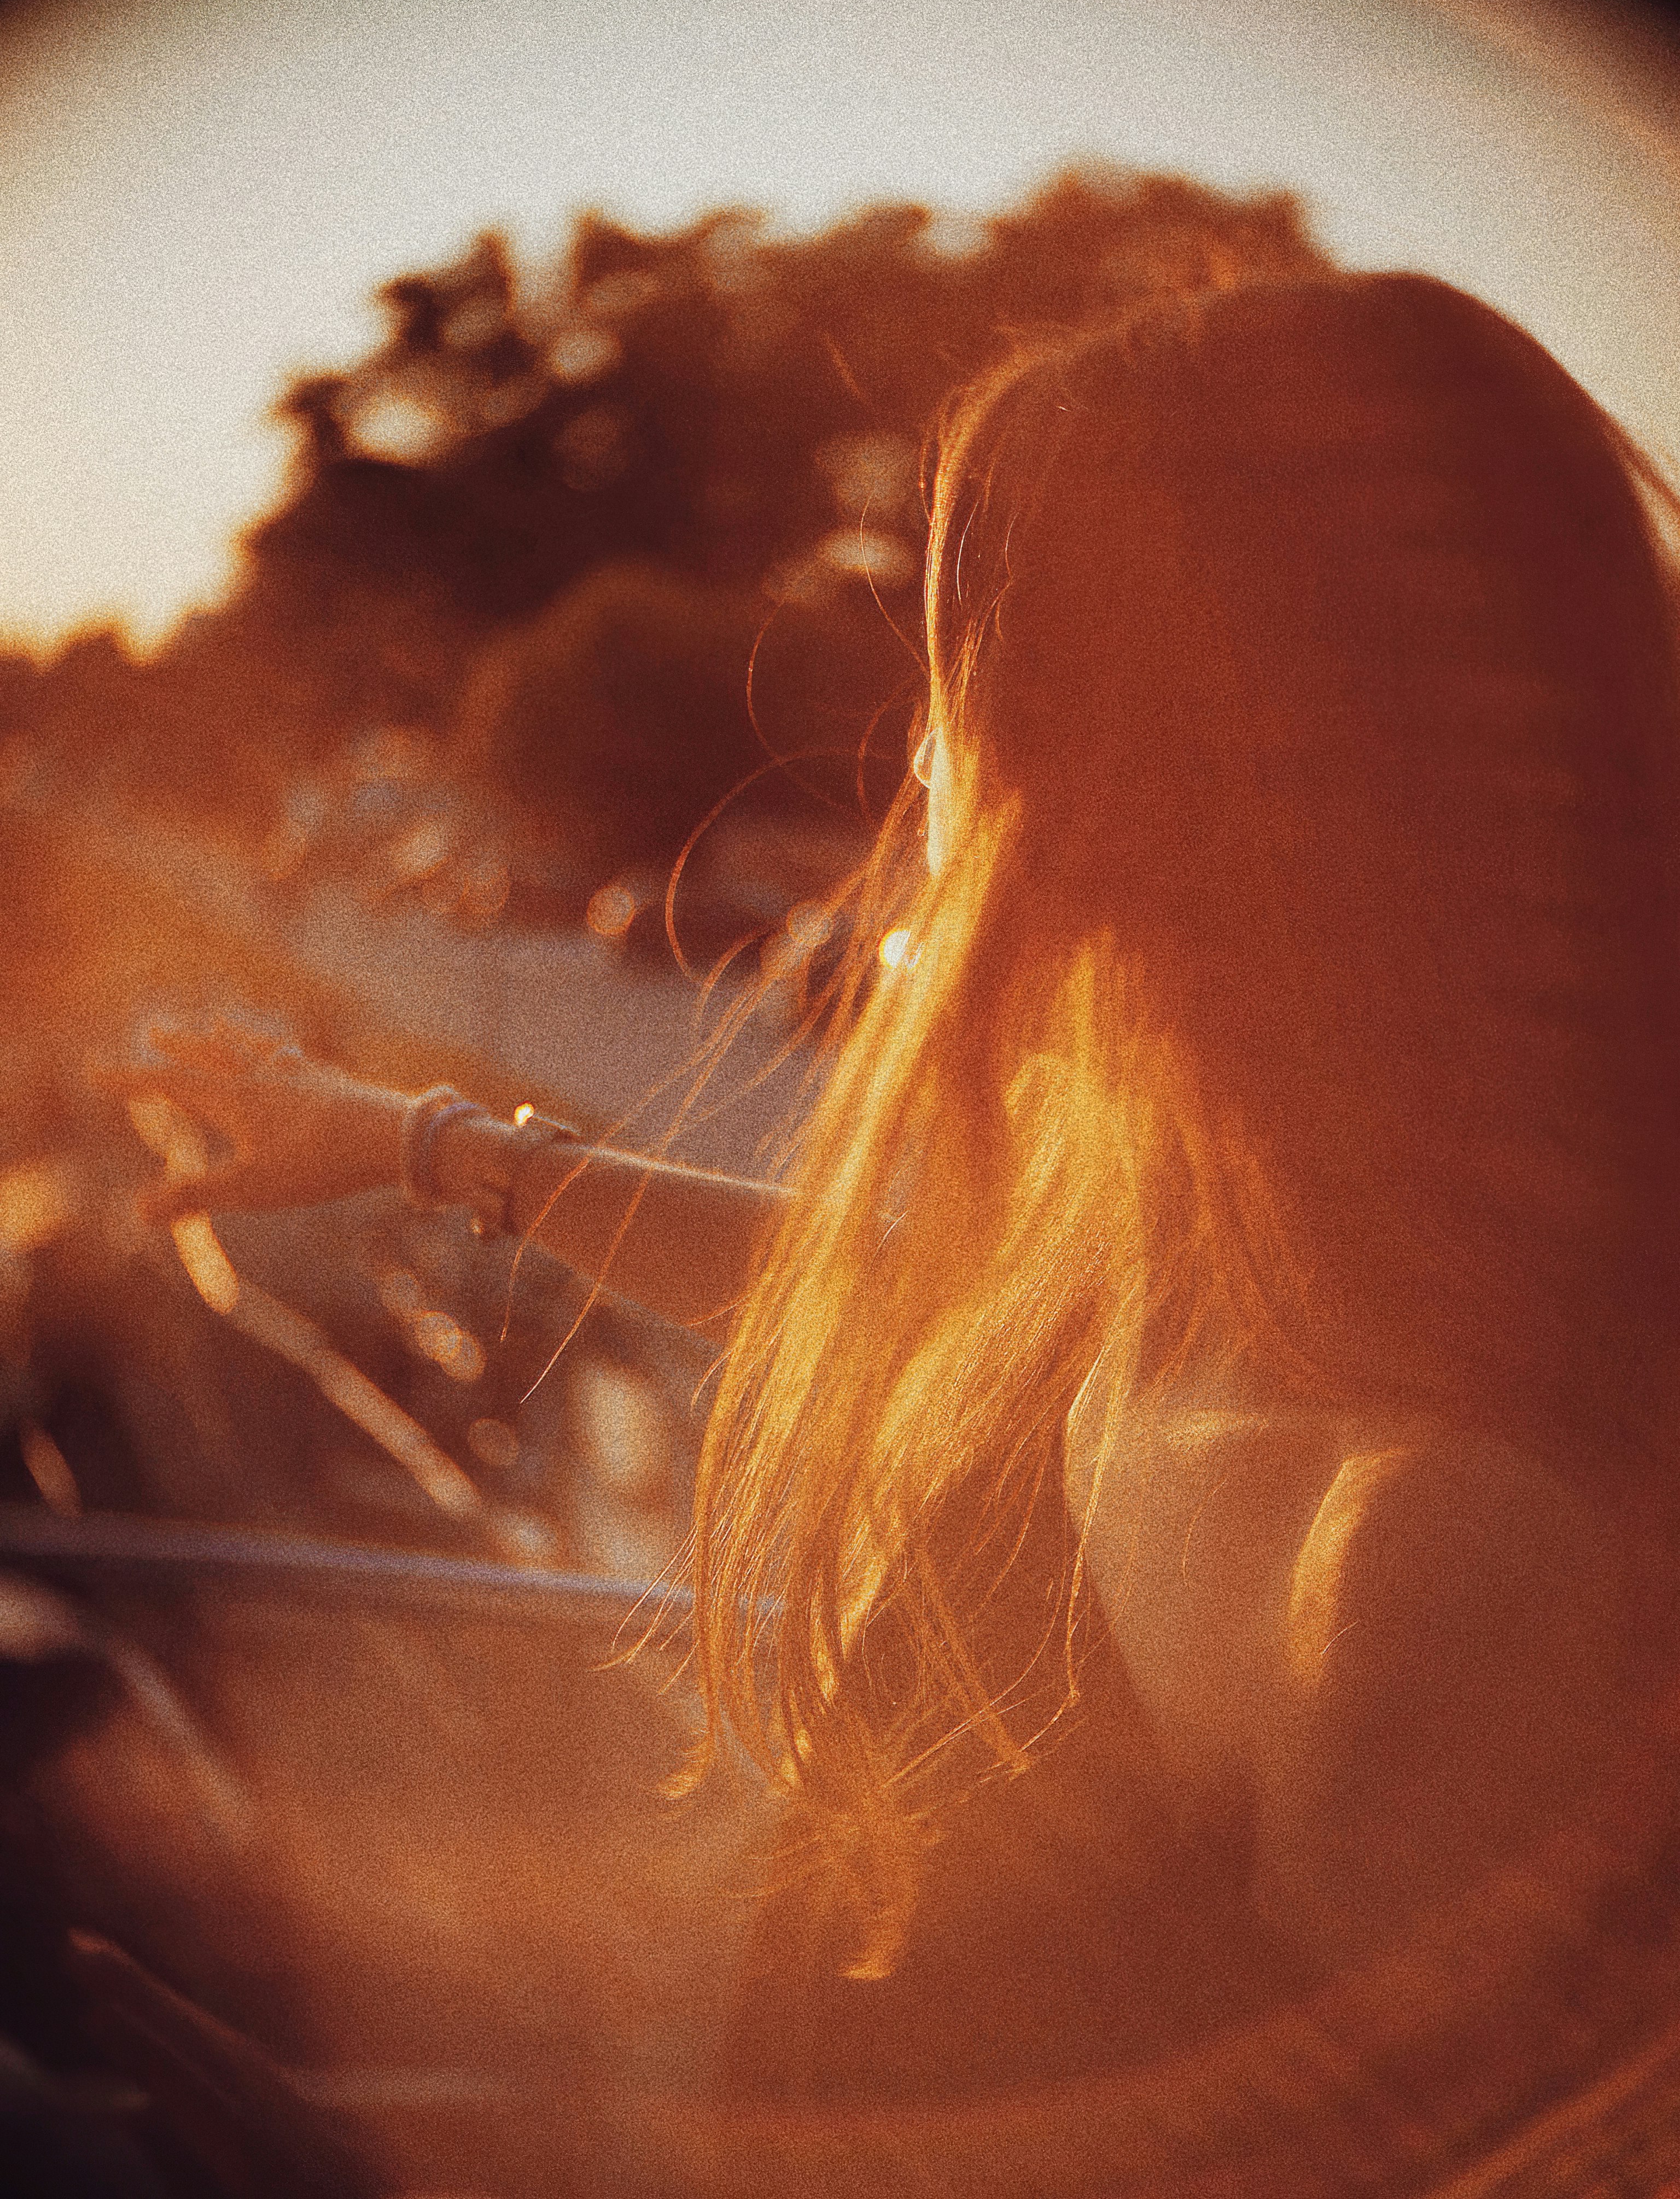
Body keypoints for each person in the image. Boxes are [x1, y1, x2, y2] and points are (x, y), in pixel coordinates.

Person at [102, 272, 1680, 2110]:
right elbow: (904, 1288)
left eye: (962, 686)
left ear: (1133, 791)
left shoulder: (1448, 1566)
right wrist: (416, 1146)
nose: (925, 772)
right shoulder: (1226, 1264)